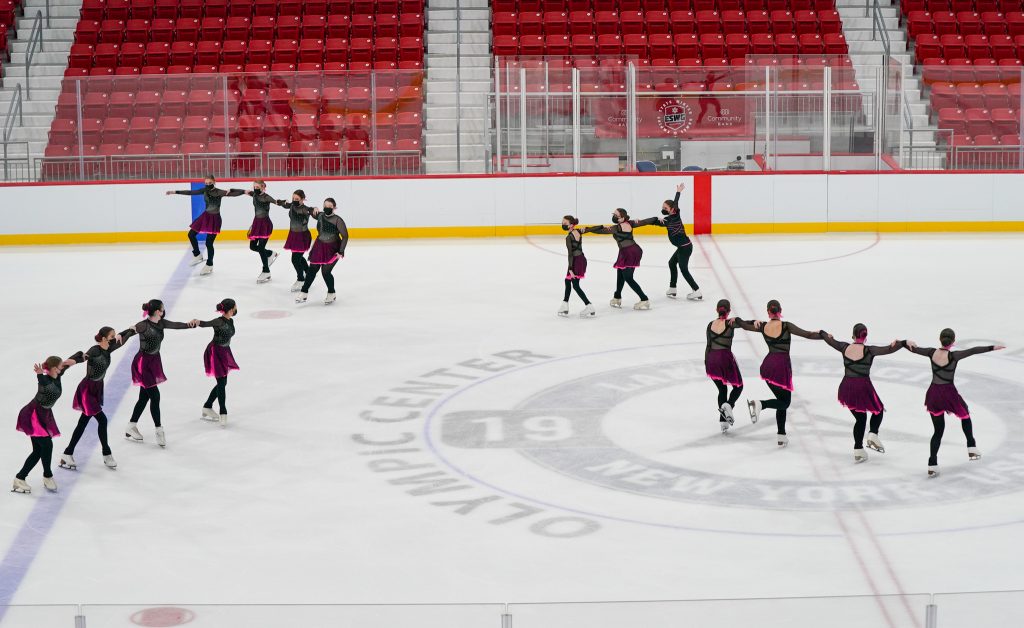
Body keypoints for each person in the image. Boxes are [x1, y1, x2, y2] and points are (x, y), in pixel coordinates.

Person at [906, 328, 1004, 477]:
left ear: (940, 339)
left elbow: (914, 349)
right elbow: (973, 350)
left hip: (934, 394)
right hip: (949, 393)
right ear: (953, 342)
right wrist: (992, 348)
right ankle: (971, 446)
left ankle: (932, 463)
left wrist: (905, 342)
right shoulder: (954, 355)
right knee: (965, 414)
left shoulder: (931, 353)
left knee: (938, 431)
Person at [741, 299, 823, 447]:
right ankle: (760, 404)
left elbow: (743, 325)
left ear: (768, 312)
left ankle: (781, 435)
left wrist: (752, 320)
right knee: (785, 402)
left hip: (767, 365)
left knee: (781, 400)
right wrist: (823, 334)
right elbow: (808, 335)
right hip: (781, 367)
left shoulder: (763, 326)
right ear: (780, 310)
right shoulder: (786, 326)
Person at [821, 324, 904, 463]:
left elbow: (830, 341)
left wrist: (823, 333)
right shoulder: (870, 350)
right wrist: (902, 343)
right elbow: (889, 349)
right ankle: (872, 434)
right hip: (863, 386)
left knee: (860, 419)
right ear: (865, 336)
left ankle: (858, 450)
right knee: (878, 410)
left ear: (853, 335)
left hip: (846, 387)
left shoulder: (844, 347)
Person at [60, 325, 136, 471]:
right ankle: (106, 453)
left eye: (114, 336)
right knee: (102, 420)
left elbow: (123, 338)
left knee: (83, 422)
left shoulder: (110, 347)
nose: (114, 338)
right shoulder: (95, 350)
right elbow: (83, 356)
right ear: (103, 338)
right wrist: (73, 361)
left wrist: (132, 329)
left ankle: (67, 453)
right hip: (87, 389)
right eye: (111, 336)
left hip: (97, 388)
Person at [127, 299, 198, 448]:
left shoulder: (161, 322)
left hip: (153, 362)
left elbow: (176, 325)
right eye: (162, 308)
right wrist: (121, 334)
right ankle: (159, 429)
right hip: (143, 363)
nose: (164, 310)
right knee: (155, 396)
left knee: (144, 397)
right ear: (157, 311)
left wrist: (190, 325)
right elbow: (130, 332)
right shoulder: (143, 325)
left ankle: (131, 426)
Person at [13, 355, 79, 494]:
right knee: (47, 445)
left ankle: (20, 478)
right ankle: (47, 476)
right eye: (60, 366)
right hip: (33, 416)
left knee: (38, 451)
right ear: (55, 368)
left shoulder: (58, 375)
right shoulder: (44, 381)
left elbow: (68, 363)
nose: (63, 367)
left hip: (43, 415)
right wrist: (39, 374)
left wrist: (81, 356)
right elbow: (41, 379)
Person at [166, 175, 245, 275]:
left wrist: (243, 191)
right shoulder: (204, 190)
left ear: (214, 182)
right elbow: (191, 192)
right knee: (191, 234)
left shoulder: (219, 192)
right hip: (205, 217)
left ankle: (209, 264)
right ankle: (197, 255)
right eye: (206, 183)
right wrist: (175, 192)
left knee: (209, 243)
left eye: (210, 183)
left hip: (215, 219)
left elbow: (234, 194)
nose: (208, 185)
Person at [643, 182, 702, 301]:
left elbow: (675, 204)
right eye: (662, 208)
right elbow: (654, 221)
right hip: (682, 247)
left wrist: (678, 192)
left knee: (683, 269)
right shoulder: (666, 220)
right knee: (671, 263)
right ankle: (673, 288)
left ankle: (696, 290)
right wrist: (639, 222)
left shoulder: (675, 215)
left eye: (665, 208)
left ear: (672, 209)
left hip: (685, 247)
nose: (663, 209)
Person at [583, 208, 652, 310]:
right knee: (620, 273)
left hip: (630, 252)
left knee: (628, 278)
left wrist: (587, 230)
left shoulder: (618, 227)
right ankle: (617, 297)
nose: (614, 216)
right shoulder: (630, 223)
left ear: (622, 217)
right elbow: (647, 221)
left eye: (616, 215)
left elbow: (601, 231)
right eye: (613, 214)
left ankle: (644, 299)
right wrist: (656, 218)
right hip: (626, 251)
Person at [296, 197, 348, 305]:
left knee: (325, 272)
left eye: (329, 206)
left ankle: (331, 293)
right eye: (325, 206)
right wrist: (313, 208)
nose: (327, 208)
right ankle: (304, 292)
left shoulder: (338, 220)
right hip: (319, 246)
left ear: (334, 208)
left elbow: (345, 236)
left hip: (333, 249)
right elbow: (307, 210)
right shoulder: (320, 215)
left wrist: (341, 251)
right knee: (312, 270)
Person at [705, 299, 747, 432]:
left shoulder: (710, 324)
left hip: (711, 359)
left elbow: (708, 345)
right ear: (729, 311)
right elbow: (745, 325)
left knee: (722, 390)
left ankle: (723, 422)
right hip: (725, 358)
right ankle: (728, 405)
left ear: (717, 310)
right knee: (738, 386)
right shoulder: (730, 323)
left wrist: (707, 363)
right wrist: (739, 320)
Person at [198, 299, 239, 426]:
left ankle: (207, 406)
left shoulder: (230, 320)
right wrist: (197, 322)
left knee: (223, 382)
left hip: (224, 351)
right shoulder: (219, 321)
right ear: (231, 309)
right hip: (215, 352)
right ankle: (223, 411)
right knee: (221, 382)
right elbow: (205, 324)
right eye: (236, 306)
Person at [277, 190, 316, 293]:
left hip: (303, 237)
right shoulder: (291, 206)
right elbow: (283, 204)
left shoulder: (305, 209)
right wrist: (282, 201)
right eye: (293, 198)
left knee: (295, 259)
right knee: (298, 258)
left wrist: (315, 208)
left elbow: (311, 210)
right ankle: (308, 273)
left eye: (297, 199)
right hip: (293, 236)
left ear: (303, 199)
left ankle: (301, 279)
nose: (294, 201)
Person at [557, 215, 595, 318]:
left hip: (575, 261)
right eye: (562, 223)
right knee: (567, 281)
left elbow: (570, 254)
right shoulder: (579, 231)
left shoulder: (569, 237)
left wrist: (570, 269)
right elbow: (592, 229)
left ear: (571, 225)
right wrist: (602, 226)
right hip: (581, 259)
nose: (563, 225)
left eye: (565, 223)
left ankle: (589, 305)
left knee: (575, 285)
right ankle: (565, 304)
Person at [245, 180, 279, 284]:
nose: (255, 188)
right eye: (254, 186)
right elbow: (243, 192)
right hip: (256, 223)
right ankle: (270, 253)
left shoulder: (266, 197)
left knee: (260, 248)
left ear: (263, 187)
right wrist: (231, 190)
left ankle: (266, 271)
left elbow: (276, 202)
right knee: (252, 246)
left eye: (257, 187)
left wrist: (283, 202)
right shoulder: (254, 195)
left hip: (265, 225)